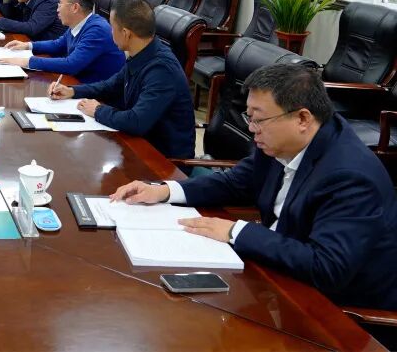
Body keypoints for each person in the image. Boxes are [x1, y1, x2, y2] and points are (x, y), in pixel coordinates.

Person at [110, 63, 397, 312]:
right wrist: (166, 191)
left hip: (336, 311)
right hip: (277, 277)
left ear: (302, 118)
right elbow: (236, 182)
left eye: (259, 119)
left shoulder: (349, 177)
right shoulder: (281, 142)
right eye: (250, 117)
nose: (251, 128)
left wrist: (236, 231)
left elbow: (326, 267)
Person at [49, 0, 194, 161]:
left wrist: (98, 110)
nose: (110, 32)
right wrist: (72, 91)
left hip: (163, 161)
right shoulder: (142, 53)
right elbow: (110, 85)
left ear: (125, 33)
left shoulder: (162, 70)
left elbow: (137, 121)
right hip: (137, 146)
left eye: (112, 27)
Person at [0, 0, 125, 84]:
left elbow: (71, 64)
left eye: (60, 3)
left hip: (98, 96)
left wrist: (27, 61)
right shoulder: (79, 23)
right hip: (79, 84)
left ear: (75, 7)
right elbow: (58, 44)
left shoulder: (97, 30)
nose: (57, 8)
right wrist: (28, 45)